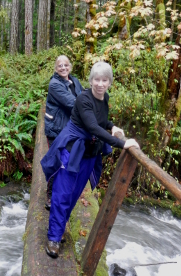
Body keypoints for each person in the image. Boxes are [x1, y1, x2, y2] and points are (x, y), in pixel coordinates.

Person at [41, 61, 140, 258]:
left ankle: (59, 230)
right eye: (97, 79)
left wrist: (112, 126)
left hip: (89, 153)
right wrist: (123, 143)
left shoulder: (104, 98)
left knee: (75, 194)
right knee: (62, 194)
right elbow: (93, 127)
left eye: (105, 80)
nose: (100, 84)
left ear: (110, 82)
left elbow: (101, 121)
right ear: (91, 80)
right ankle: (53, 238)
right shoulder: (83, 100)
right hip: (72, 151)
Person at [44, 55, 83, 210]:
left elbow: (82, 97)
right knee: (56, 161)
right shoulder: (54, 84)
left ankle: (63, 193)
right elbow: (72, 103)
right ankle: (50, 196)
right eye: (60, 65)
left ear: (70, 66)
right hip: (56, 129)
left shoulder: (75, 81)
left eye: (66, 65)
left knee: (69, 162)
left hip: (71, 129)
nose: (63, 68)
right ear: (56, 68)